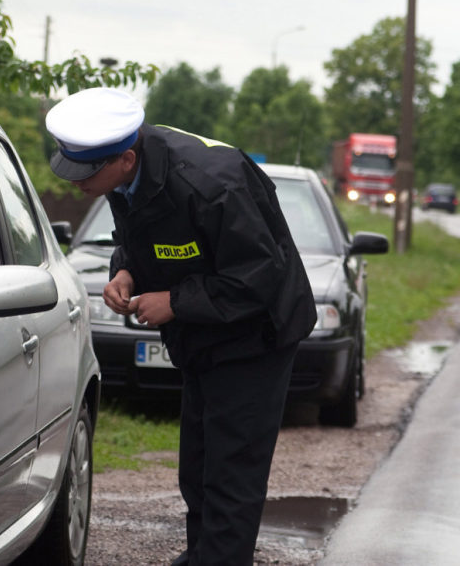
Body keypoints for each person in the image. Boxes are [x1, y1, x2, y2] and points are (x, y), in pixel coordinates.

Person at [45, 87, 317, 565]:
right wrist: (125, 270)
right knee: (197, 469)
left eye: (86, 174)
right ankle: (204, 556)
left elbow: (259, 276)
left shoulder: (214, 185)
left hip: (256, 338)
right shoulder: (127, 175)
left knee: (231, 477)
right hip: (203, 336)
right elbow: (143, 239)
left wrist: (173, 301)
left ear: (126, 158)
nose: (75, 184)